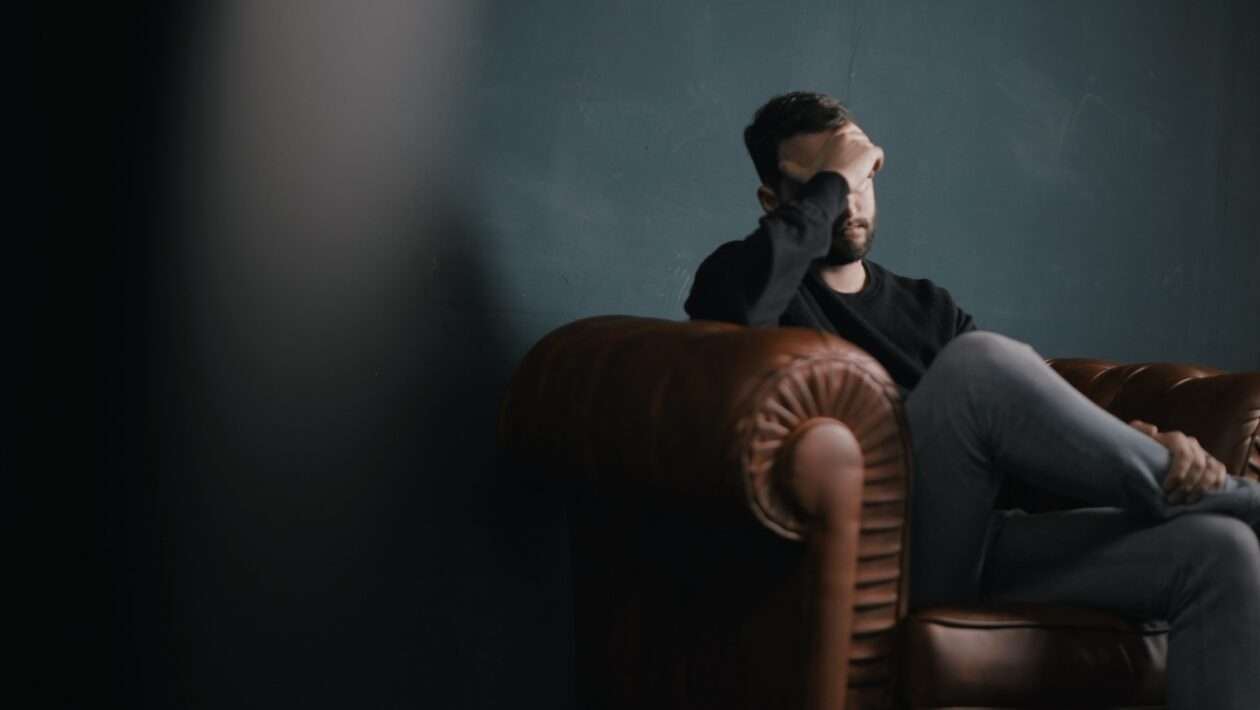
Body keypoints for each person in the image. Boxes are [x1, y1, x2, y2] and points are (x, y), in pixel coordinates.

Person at [685, 91, 1260, 709]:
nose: (850, 201)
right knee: (977, 364)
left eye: (863, 177)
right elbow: (736, 313)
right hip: (881, 563)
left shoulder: (928, 307)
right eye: (830, 182)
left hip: (979, 546)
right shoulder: (742, 280)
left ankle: (1208, 500)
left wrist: (1131, 444)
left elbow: (1016, 462)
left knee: (1222, 552)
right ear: (774, 202)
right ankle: (1238, 499)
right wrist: (837, 175)